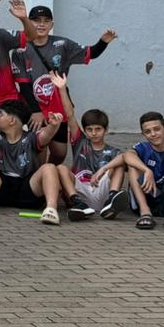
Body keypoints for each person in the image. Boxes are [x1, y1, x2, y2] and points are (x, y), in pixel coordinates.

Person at [10, 1, 117, 162]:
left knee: (59, 152)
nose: (41, 24)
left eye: (46, 21)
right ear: (29, 23)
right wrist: (35, 111)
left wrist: (103, 42)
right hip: (33, 108)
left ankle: (50, 174)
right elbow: (24, 85)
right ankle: (39, 181)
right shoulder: (20, 49)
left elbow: (90, 53)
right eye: (36, 20)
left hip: (57, 106)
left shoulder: (63, 45)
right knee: (38, 149)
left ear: (52, 24)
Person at [47, 71, 131, 222]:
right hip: (80, 190)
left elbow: (125, 160)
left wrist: (103, 170)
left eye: (98, 129)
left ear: (106, 130)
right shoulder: (80, 142)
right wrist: (62, 89)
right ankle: (77, 203)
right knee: (60, 168)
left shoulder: (113, 151)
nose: (94, 133)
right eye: (90, 130)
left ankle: (111, 200)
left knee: (119, 163)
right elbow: (70, 115)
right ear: (85, 131)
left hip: (101, 190)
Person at [0, 104, 65, 224]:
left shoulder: (31, 138)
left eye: (1, 114)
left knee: (49, 167)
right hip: (0, 189)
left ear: (12, 120)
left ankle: (51, 210)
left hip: (28, 190)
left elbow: (45, 135)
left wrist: (53, 126)